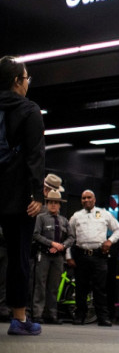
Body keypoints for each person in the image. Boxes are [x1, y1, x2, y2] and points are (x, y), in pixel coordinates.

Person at [0, 56, 45, 336]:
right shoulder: (29, 110)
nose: (28, 82)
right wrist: (37, 193)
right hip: (17, 197)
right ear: (17, 81)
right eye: (26, 78)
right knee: (19, 256)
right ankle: (18, 319)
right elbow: (35, 155)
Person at [68, 189, 119, 326]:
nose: (86, 200)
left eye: (89, 197)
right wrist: (68, 256)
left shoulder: (104, 214)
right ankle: (80, 316)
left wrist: (110, 241)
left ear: (94, 199)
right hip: (81, 255)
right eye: (83, 198)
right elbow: (69, 237)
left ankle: (103, 317)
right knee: (81, 287)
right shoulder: (76, 216)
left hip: (99, 256)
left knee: (100, 288)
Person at [32, 190, 74, 324]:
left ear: (60, 205)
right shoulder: (41, 218)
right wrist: (51, 243)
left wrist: (62, 245)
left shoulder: (64, 220)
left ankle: (52, 314)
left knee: (54, 287)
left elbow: (72, 237)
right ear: (47, 203)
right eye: (51, 202)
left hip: (58, 257)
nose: (53, 205)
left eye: (56, 203)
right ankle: (37, 314)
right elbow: (36, 234)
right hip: (43, 255)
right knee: (40, 285)